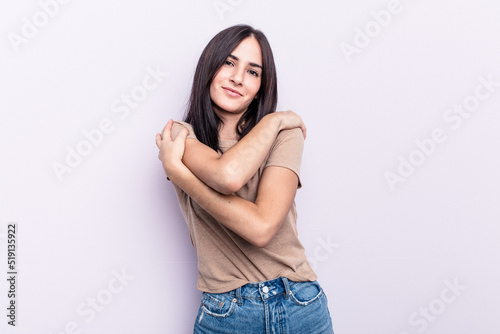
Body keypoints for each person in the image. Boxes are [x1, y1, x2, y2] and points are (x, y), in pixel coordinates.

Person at [156, 24, 334, 334]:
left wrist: (180, 175)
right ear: (209, 67)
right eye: (229, 62)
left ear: (262, 86)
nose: (238, 77)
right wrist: (276, 119)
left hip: (299, 304)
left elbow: (261, 227)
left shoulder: (285, 134)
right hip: (226, 314)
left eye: (253, 72)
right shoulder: (181, 136)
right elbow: (227, 175)